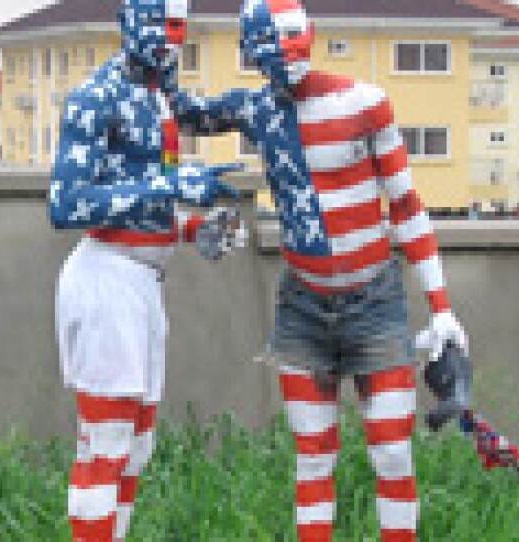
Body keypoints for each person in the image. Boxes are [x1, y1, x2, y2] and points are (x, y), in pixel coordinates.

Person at [169, 1, 469, 539]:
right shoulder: (259, 109)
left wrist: (442, 308)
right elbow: (186, 111)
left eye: (295, 37)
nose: (290, 51)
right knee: (312, 459)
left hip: (374, 299)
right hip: (303, 302)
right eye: (275, 42)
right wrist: (158, 47)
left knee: (394, 454)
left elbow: (405, 205)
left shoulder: (366, 104)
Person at [47, 1, 247, 540]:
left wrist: (189, 228)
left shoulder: (158, 92)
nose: (168, 37)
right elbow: (66, 205)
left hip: (141, 279)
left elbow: (140, 190)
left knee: (135, 444)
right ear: (128, 20)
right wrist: (171, 186)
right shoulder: (97, 96)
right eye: (157, 22)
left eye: (178, 25)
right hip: (106, 278)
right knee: (107, 441)